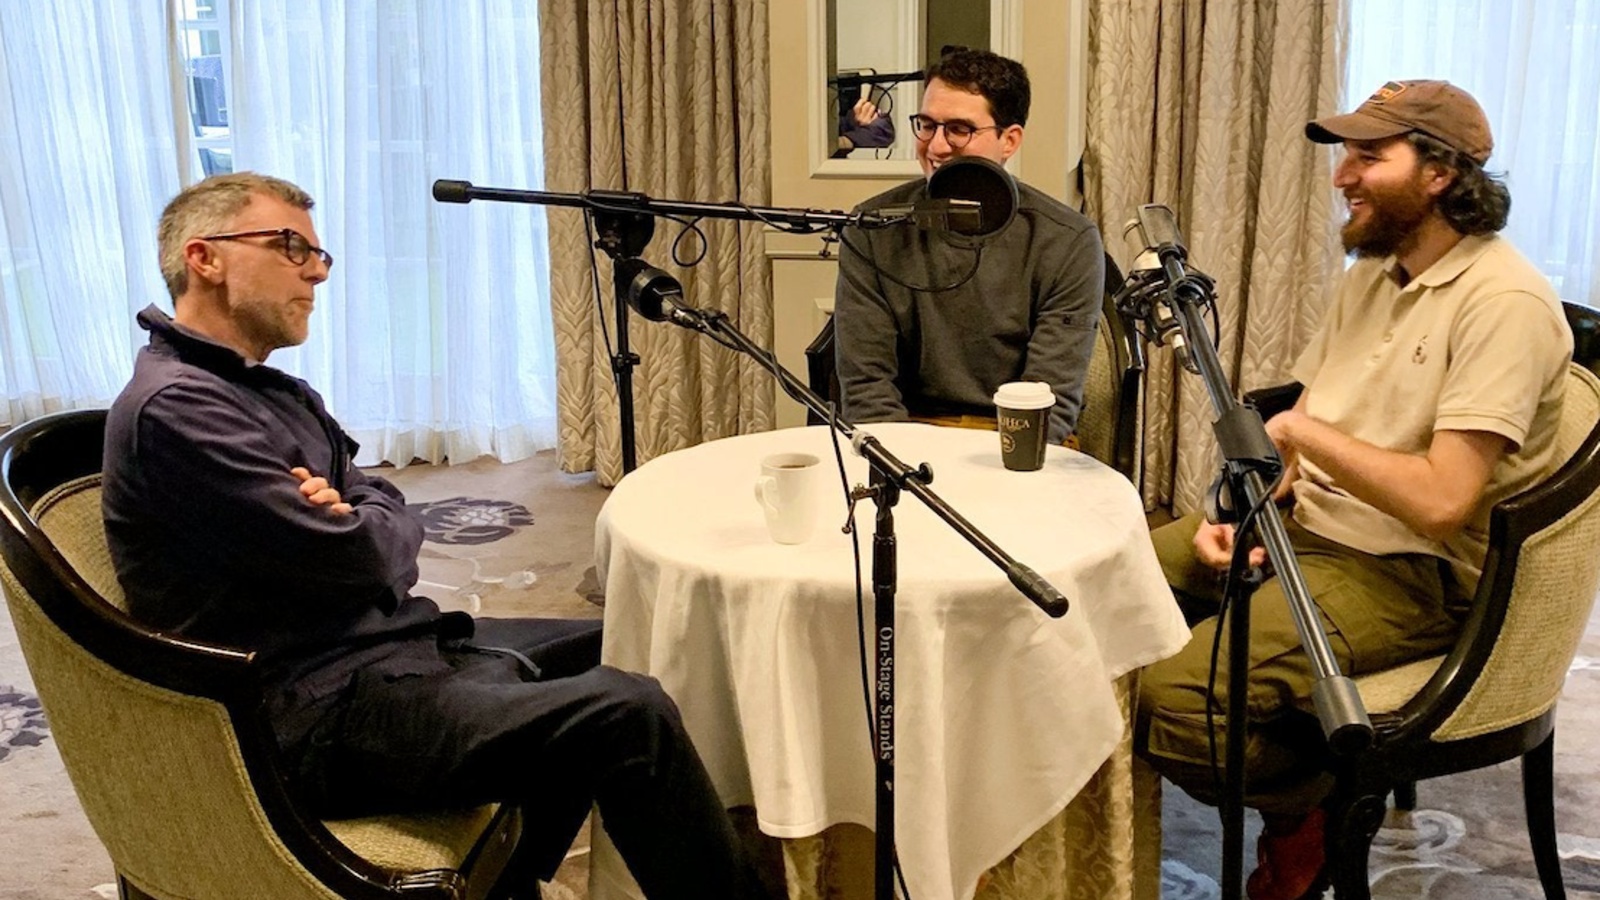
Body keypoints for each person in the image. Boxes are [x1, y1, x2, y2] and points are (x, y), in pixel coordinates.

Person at [101, 172, 769, 898]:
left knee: (625, 637)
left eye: (319, 254)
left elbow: (381, 505)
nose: (316, 272)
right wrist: (364, 527)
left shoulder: (268, 389)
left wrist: (360, 514)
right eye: (291, 247)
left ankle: (509, 878)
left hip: (382, 652)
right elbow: (362, 557)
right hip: (310, 713)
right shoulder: (179, 410)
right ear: (204, 258)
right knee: (626, 713)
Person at [1134, 80, 1573, 900]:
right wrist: (1254, 516)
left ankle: (1317, 808)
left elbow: (1442, 501)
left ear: (1441, 173)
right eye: (1346, 156)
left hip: (1412, 572)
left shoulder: (1504, 304)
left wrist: (1303, 437)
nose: (1342, 176)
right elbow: (1313, 418)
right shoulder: (1373, 277)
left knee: (1178, 703)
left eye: (1369, 157)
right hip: (1312, 531)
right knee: (1103, 588)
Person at [832, 47, 1105, 445]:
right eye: (927, 125)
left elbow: (1050, 399)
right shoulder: (871, 227)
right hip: (904, 442)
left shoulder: (1067, 240)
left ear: (1009, 140)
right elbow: (867, 389)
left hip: (1018, 444)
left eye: (959, 129)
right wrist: (905, 469)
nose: (936, 146)